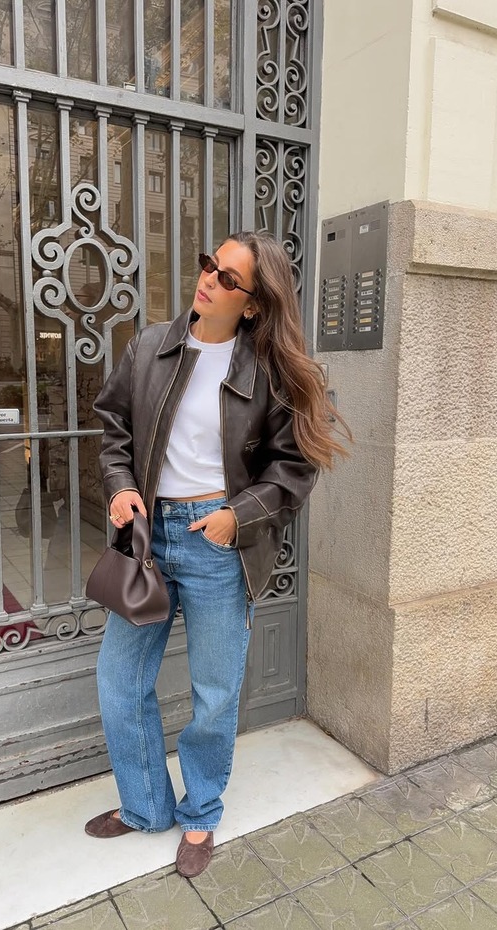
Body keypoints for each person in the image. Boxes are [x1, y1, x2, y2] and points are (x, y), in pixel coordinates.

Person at [85, 231, 350, 878]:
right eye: (211, 265)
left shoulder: (270, 372)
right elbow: (113, 428)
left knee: (213, 693)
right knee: (120, 681)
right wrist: (120, 489)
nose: (209, 279)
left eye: (229, 278)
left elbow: (294, 468)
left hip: (216, 543)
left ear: (254, 304)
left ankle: (201, 811)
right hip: (149, 539)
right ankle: (147, 807)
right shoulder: (150, 346)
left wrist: (238, 517)